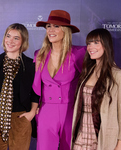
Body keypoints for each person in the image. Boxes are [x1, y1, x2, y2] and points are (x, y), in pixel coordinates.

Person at [0, 23, 39, 150]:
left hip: (21, 119)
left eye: (16, 38)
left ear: (23, 41)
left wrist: (32, 113)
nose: (10, 41)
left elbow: (36, 93)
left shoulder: (31, 65)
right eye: (8, 36)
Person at [32, 10, 86, 150]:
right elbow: (35, 86)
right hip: (46, 110)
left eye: (56, 26)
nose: (51, 30)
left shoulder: (79, 54)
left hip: (70, 110)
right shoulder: (40, 55)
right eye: (48, 26)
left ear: (65, 30)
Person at [71, 28, 121, 150]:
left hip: (103, 137)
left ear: (106, 45)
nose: (91, 47)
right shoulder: (87, 72)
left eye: (96, 42)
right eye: (89, 43)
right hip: (81, 136)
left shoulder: (119, 76)